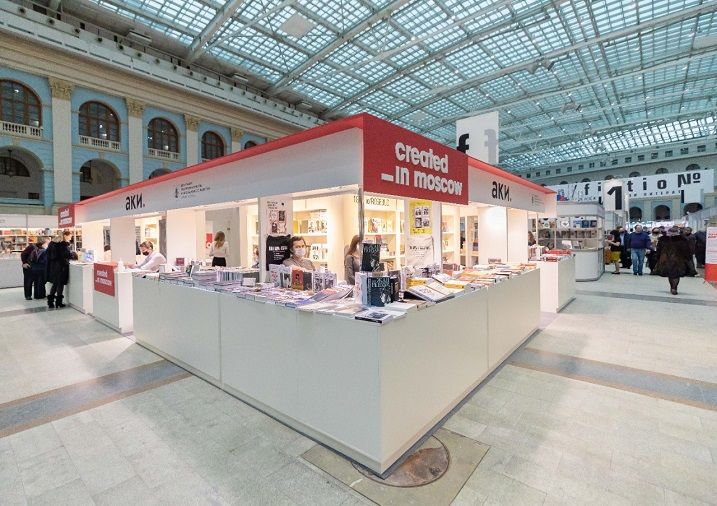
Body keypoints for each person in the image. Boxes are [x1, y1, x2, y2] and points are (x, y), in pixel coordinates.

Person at [654, 226, 696, 295]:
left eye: (673, 232)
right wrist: (688, 258)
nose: (672, 234)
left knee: (672, 274)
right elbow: (687, 250)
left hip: (670, 260)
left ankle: (673, 287)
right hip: (676, 260)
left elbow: (659, 250)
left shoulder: (664, 239)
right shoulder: (681, 239)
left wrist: (658, 257)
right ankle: (673, 287)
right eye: (671, 232)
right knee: (674, 274)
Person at [47, 230, 75, 308]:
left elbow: (49, 254)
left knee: (55, 284)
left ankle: (50, 302)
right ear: (65, 236)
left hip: (54, 266)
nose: (71, 238)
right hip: (61, 267)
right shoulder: (63, 244)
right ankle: (59, 302)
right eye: (70, 236)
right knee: (60, 284)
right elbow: (66, 255)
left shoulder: (52, 243)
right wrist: (73, 255)